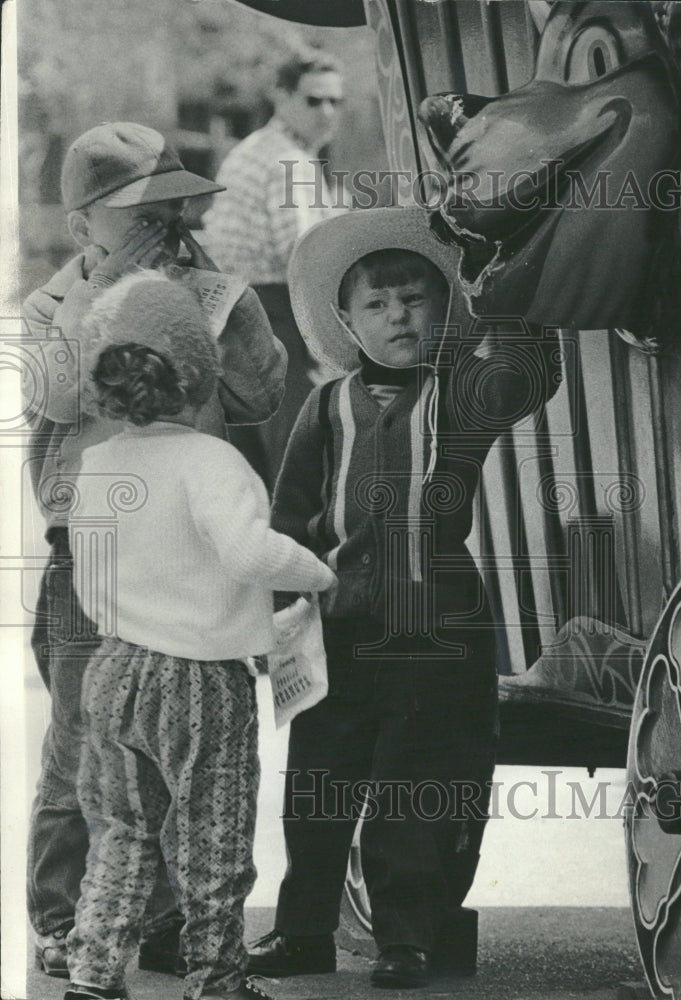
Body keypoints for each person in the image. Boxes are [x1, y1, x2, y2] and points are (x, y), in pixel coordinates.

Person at [246, 207, 560, 989]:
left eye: (416, 298)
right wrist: (278, 616)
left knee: (415, 796)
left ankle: (407, 941)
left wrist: (508, 292)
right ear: (346, 321)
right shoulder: (322, 410)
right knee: (316, 792)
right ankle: (304, 932)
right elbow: (289, 523)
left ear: (443, 309)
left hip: (438, 634)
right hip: (338, 634)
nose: (398, 316)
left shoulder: (459, 397)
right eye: (378, 305)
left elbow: (532, 375)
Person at [21, 121, 287, 979]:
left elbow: (259, 394)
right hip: (93, 544)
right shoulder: (50, 302)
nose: (154, 225)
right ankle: (64, 922)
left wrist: (214, 301)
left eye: (167, 206)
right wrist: (114, 291)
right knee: (83, 738)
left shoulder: (207, 294)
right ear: (83, 225)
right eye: (134, 212)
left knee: (189, 742)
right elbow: (61, 398)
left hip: (189, 547)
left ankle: (169, 923)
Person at [61, 270, 336, 1000]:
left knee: (121, 833)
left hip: (115, 670)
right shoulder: (213, 462)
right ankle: (217, 978)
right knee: (210, 834)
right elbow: (248, 553)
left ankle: (93, 974)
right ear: (199, 375)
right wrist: (319, 573)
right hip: (201, 682)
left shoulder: (96, 465)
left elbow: (88, 586)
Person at [202, 49, 344, 488]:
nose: (326, 113)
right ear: (281, 97)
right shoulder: (290, 161)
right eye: (313, 100)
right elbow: (305, 257)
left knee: (258, 469)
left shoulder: (254, 149)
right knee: (299, 462)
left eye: (335, 102)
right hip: (276, 310)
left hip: (233, 315)